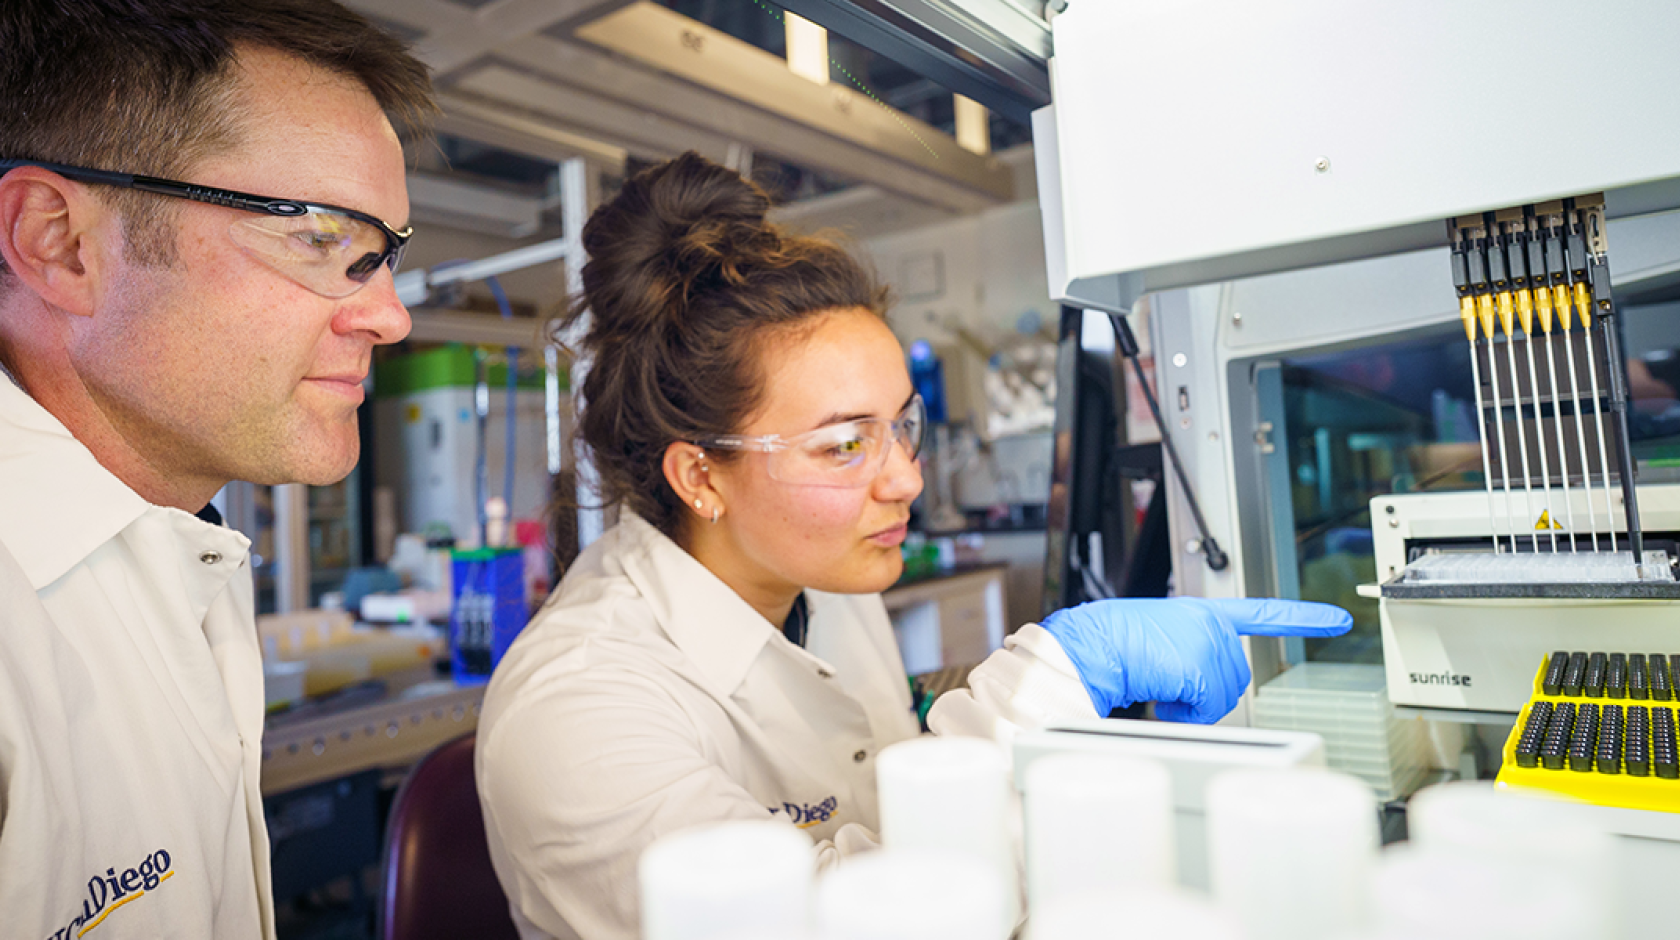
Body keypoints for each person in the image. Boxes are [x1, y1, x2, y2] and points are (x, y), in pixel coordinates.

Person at [475, 153, 1352, 940]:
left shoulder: (827, 581)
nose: (907, 481)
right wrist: (1045, 679)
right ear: (700, 476)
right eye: (843, 444)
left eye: (902, 427)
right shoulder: (576, 711)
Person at [0, 2, 433, 937]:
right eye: (321, 238)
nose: (390, 317)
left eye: (384, 254)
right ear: (57, 241)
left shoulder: (186, 551)